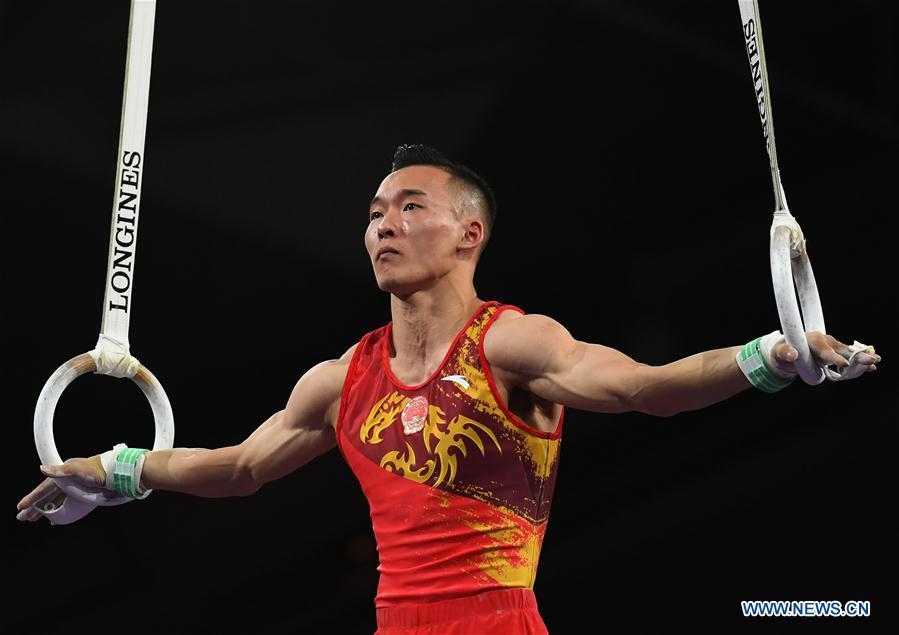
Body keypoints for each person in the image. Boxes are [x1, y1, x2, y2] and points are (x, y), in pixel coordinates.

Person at [17, 144, 879, 634]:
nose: (383, 224)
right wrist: (118, 468)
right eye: (372, 212)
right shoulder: (339, 379)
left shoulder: (511, 341)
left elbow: (641, 389)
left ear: (467, 232)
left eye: (409, 207)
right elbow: (240, 466)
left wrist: (770, 354)